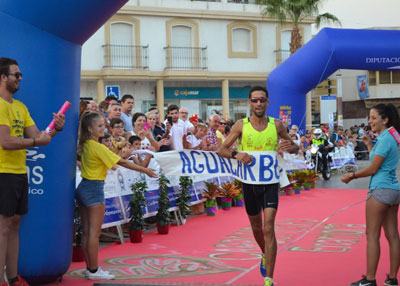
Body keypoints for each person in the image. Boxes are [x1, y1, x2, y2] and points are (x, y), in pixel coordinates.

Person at [218, 86, 299, 286]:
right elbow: (222, 149)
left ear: (267, 102)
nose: (258, 104)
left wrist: (292, 146)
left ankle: (269, 279)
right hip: (249, 184)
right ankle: (264, 252)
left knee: (269, 227)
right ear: (250, 103)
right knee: (256, 227)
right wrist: (237, 154)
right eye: (255, 100)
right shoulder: (240, 125)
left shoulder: (277, 125)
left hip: (270, 183)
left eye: (262, 100)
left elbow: (295, 146)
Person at [0, 57, 66, 286]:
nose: (20, 78)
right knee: (3, 226)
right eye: (16, 74)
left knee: (15, 223)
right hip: (3, 172)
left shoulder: (20, 106)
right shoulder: (0, 104)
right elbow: (6, 142)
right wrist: (35, 142)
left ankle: (12, 278)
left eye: (20, 75)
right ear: (3, 77)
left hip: (18, 172)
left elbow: (40, 136)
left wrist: (55, 130)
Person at [76, 112, 157, 281]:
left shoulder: (86, 144)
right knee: (94, 233)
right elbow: (122, 162)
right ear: (89, 128)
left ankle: (90, 268)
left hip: (84, 186)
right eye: (99, 126)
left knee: (87, 232)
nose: (103, 128)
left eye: (103, 125)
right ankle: (93, 269)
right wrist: (145, 170)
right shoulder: (96, 146)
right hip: (94, 188)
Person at [342, 103, 400, 286]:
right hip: (393, 189)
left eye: (374, 118)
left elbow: (374, 168)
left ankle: (369, 279)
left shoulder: (384, 139)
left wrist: (352, 175)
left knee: (372, 235)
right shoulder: (391, 135)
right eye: (370, 117)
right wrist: (368, 144)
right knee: (393, 235)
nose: (370, 121)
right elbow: (380, 160)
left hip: (380, 190)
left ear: (385, 119)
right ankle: (392, 278)